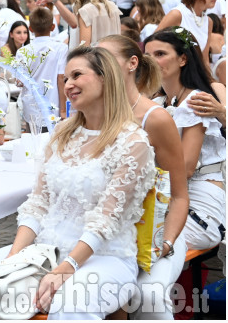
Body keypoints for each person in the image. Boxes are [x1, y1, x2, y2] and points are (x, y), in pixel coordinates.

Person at [0, 46, 156, 320]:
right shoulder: (63, 133)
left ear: (104, 78)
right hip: (42, 250)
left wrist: (65, 269)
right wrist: (13, 259)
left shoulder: (131, 141)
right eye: (66, 78)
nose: (69, 84)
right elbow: (38, 204)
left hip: (106, 256)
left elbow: (106, 221)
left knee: (70, 301)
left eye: (77, 75)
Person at [97, 35, 189, 319]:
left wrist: (167, 243)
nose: (100, 69)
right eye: (95, 62)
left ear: (132, 63)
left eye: (106, 60)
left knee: (147, 294)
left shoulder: (155, 119)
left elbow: (179, 194)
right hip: (104, 233)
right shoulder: (91, 113)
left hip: (154, 229)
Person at [145, 28, 225, 251]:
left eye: (160, 54)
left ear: (183, 59)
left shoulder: (197, 100)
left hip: (198, 197)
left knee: (144, 244)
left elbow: (186, 167)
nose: (152, 61)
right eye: (148, 56)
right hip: (165, 194)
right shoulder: (159, 100)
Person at [157, 0, 224, 67]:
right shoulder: (177, 14)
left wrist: (210, 80)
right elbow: (153, 44)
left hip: (195, 77)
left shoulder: (208, 21)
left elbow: (204, 59)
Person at [19, 7, 67, 119]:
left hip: (31, 106)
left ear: (30, 29)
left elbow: (20, 81)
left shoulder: (22, 51)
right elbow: (61, 78)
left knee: (33, 134)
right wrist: (63, 109)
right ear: (53, 27)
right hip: (53, 103)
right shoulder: (61, 48)